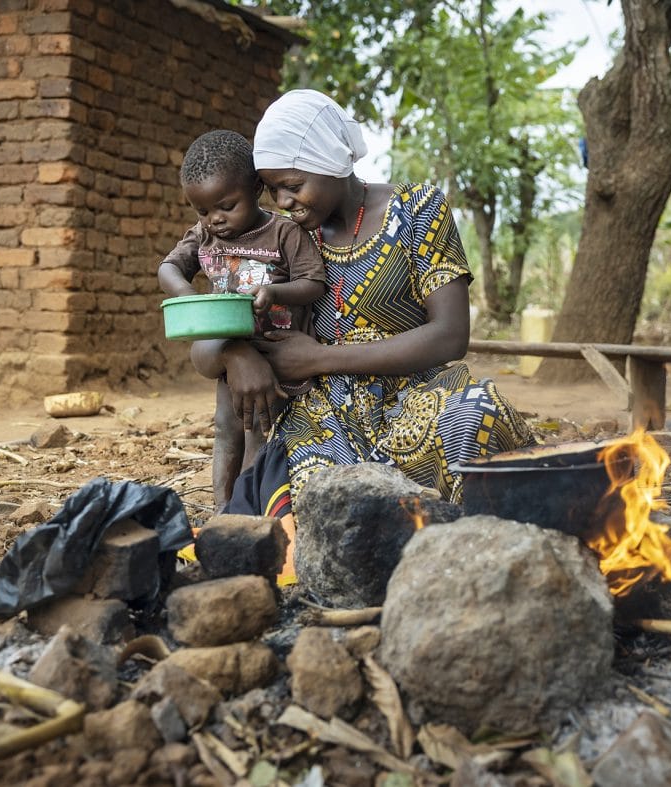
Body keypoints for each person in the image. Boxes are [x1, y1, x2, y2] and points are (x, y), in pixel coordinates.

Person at [190, 89, 535, 522]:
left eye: (293, 186)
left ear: (331, 161)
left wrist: (320, 358)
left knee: (474, 416)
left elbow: (450, 335)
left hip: (417, 398)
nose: (282, 202)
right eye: (273, 189)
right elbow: (202, 345)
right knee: (311, 496)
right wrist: (236, 353)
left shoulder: (417, 209)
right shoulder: (281, 240)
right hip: (322, 419)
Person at [158, 129, 326, 510]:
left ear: (255, 188)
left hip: (276, 353)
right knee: (225, 429)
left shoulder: (283, 232)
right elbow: (168, 268)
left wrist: (276, 293)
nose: (214, 220)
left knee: (257, 433)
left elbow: (313, 282)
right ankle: (223, 508)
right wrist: (188, 296)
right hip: (228, 351)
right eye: (203, 211)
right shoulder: (203, 236)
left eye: (226, 206)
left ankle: (245, 511)